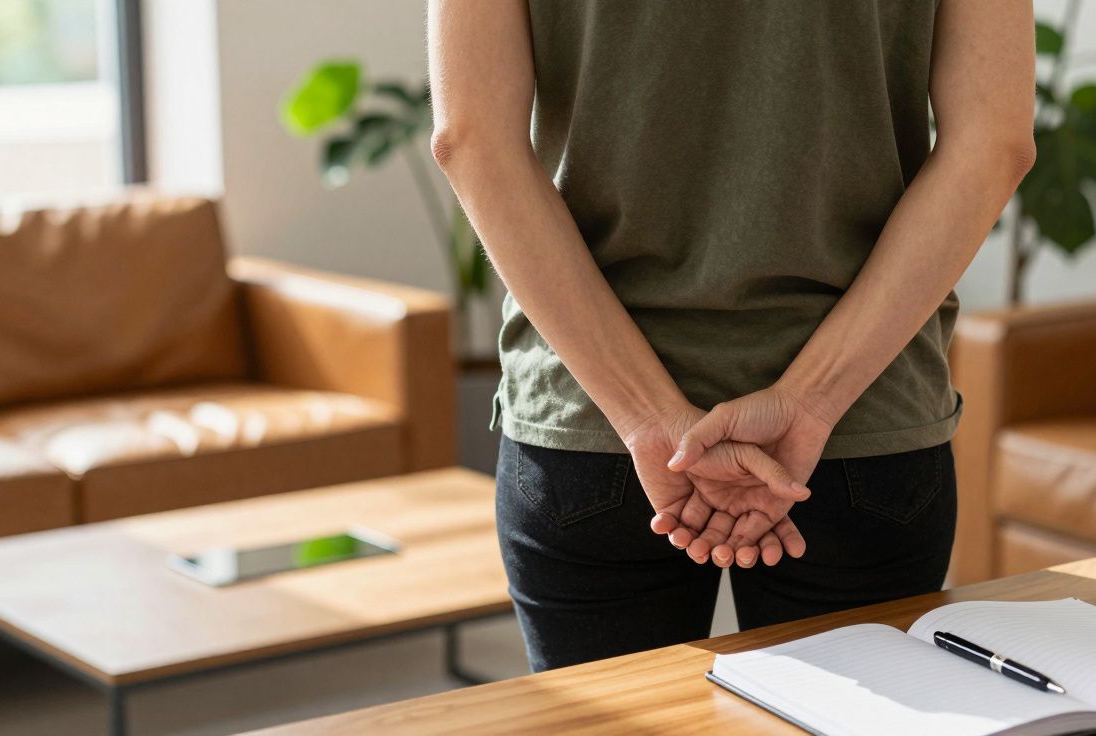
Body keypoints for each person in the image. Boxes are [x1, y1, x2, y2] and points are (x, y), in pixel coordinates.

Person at [427, 0, 1035, 672]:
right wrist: (811, 401)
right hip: (863, 421)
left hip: (592, 421)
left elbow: (470, 137)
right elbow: (994, 142)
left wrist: (647, 419)